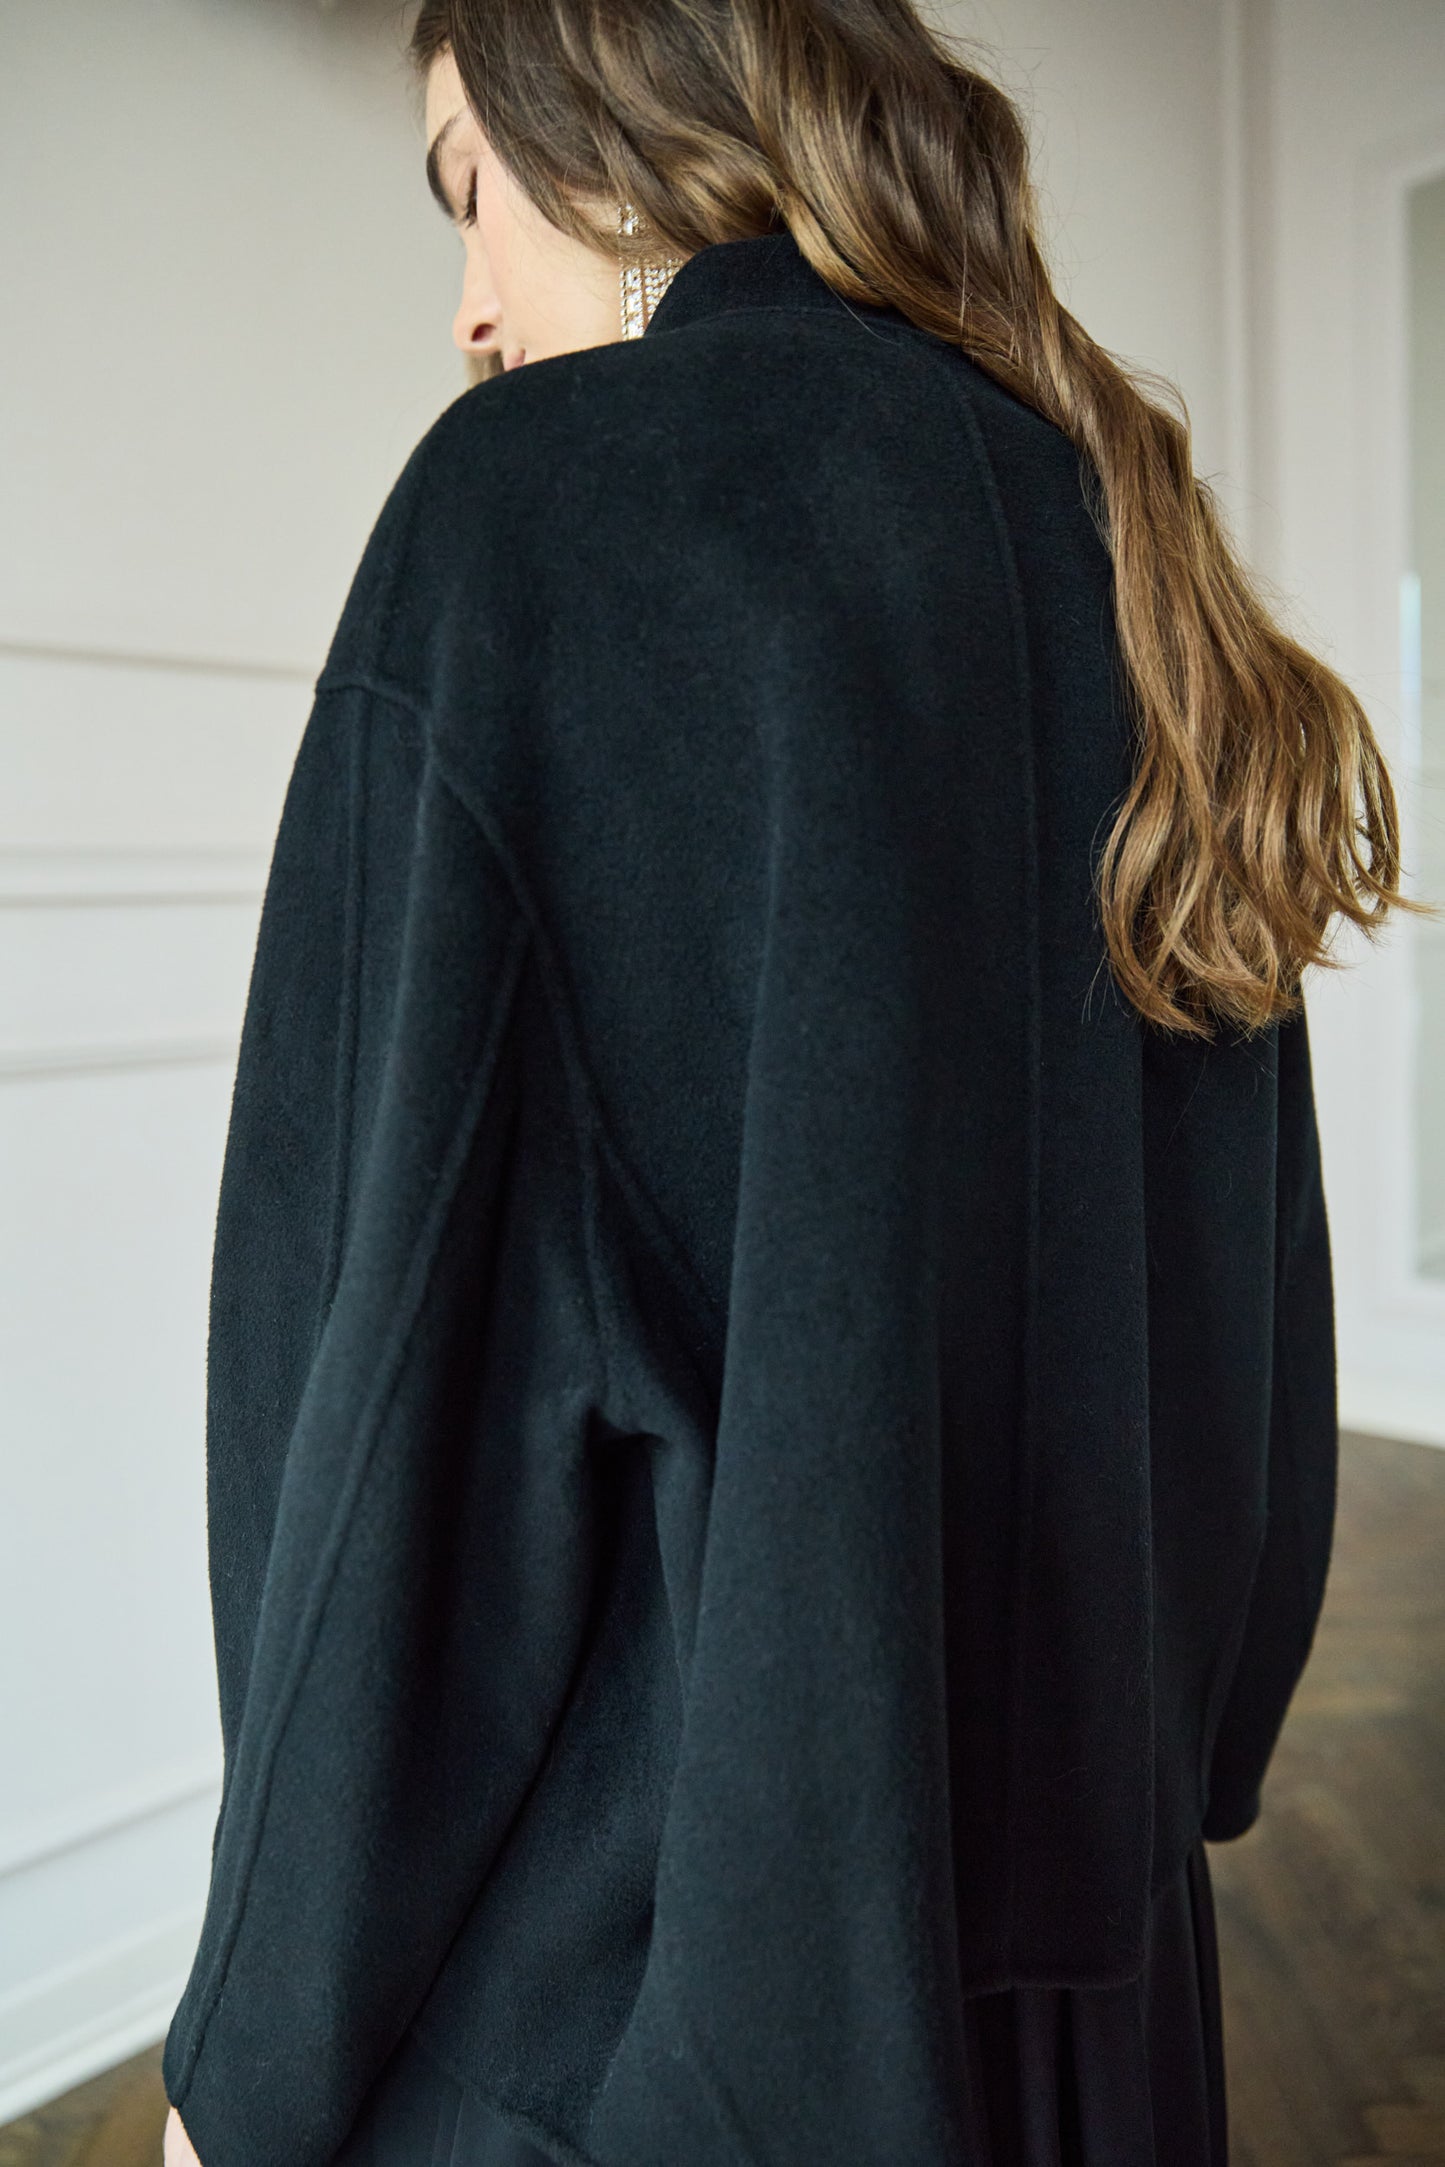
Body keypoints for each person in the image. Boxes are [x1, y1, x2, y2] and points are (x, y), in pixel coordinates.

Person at [160, 2, 1429, 2163]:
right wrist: (1174, 1772)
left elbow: (376, 1423)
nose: (468, 303)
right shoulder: (1123, 539)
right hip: (1107, 1997)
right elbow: (1251, 1322)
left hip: (654, 2028)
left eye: (471, 190)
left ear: (612, 137)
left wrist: (246, 2061)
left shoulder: (534, 513)